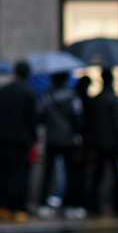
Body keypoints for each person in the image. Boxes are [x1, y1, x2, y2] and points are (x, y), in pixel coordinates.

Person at [0, 60, 38, 221]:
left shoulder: (2, 91)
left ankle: (2, 205)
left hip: (3, 139)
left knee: (4, 173)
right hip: (21, 141)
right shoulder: (30, 93)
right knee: (19, 175)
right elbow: (32, 120)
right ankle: (18, 207)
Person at [37, 71, 85, 217]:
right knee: (72, 173)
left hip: (52, 139)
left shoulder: (46, 97)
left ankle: (44, 203)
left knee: (48, 172)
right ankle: (72, 204)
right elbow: (79, 119)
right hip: (68, 139)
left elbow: (40, 117)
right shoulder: (72, 97)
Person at [86, 68, 118, 217]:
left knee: (97, 175)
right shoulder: (115, 100)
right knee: (116, 176)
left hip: (97, 143)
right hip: (113, 143)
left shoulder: (96, 100)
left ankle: (94, 205)